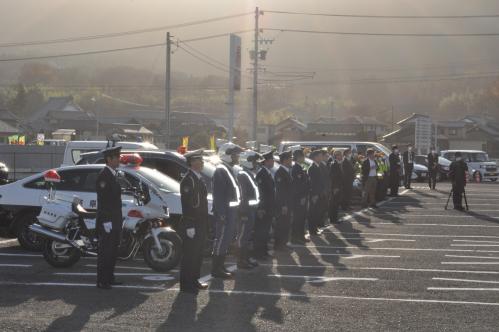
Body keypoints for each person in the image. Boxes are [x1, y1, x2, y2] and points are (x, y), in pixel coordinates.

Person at [179, 149, 209, 294]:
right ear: (192, 163)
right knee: (190, 255)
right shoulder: (188, 180)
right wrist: (190, 224)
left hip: (201, 222)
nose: (202, 163)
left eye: (202, 160)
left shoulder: (198, 178)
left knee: (197, 254)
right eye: (199, 160)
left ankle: (194, 280)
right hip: (192, 222)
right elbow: (187, 205)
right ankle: (186, 284)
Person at [211, 143, 243, 278]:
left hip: (231, 212)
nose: (238, 157)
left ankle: (221, 266)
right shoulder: (221, 170)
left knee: (226, 239)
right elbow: (218, 195)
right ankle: (216, 269)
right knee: (221, 239)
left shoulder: (227, 169)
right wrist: (222, 213)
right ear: (228, 155)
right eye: (235, 154)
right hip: (225, 213)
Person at [95, 145, 123, 290]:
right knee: (105, 251)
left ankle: (109, 278)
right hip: (108, 221)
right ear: (109, 159)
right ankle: (102, 280)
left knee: (112, 251)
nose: (119, 159)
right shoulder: (104, 176)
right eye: (117, 157)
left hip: (115, 219)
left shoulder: (113, 174)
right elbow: (104, 200)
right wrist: (106, 221)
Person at [236, 150, 262, 269]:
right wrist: (243, 212)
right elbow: (243, 195)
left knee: (247, 236)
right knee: (243, 236)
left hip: (251, 210)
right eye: (253, 161)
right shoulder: (242, 175)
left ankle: (246, 258)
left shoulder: (248, 173)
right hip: (246, 211)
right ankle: (241, 261)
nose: (256, 163)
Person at [254, 150, 275, 260]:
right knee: (261, 231)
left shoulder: (267, 172)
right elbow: (261, 192)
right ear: (266, 161)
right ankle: (259, 253)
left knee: (266, 231)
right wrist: (261, 208)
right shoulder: (261, 173)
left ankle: (264, 251)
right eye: (272, 160)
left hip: (269, 207)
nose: (273, 162)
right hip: (264, 208)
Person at [274, 150, 293, 250]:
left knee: (286, 224)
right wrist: (284, 205)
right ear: (285, 160)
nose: (291, 160)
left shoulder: (286, 171)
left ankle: (284, 243)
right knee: (281, 224)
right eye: (290, 158)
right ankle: (279, 245)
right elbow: (281, 191)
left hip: (288, 203)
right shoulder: (280, 172)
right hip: (283, 204)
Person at [291, 147, 310, 244]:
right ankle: (295, 237)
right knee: (297, 218)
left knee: (302, 217)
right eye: (302, 156)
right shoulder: (296, 168)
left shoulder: (301, 167)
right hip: (298, 198)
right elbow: (298, 185)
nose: (304, 158)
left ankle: (301, 236)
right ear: (298, 157)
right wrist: (302, 197)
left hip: (303, 196)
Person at [308, 149, 325, 235]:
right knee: (313, 212)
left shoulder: (318, 166)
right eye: (320, 156)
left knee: (317, 212)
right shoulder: (312, 168)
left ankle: (315, 228)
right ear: (315, 157)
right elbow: (313, 183)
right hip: (314, 194)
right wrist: (314, 194)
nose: (322, 157)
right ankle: (312, 230)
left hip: (319, 193)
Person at [329, 149, 344, 223]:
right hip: (336, 187)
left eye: (341, 155)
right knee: (334, 203)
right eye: (339, 155)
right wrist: (335, 187)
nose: (341, 156)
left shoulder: (340, 163)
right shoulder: (333, 164)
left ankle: (335, 218)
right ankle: (333, 219)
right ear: (336, 156)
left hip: (340, 186)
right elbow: (333, 177)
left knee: (337, 203)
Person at [319, 149, 330, 227]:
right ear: (322, 156)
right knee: (322, 207)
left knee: (325, 206)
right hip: (323, 189)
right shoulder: (320, 165)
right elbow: (322, 179)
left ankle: (322, 222)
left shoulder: (325, 164)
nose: (327, 157)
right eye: (326, 156)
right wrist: (324, 190)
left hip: (326, 189)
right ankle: (320, 223)